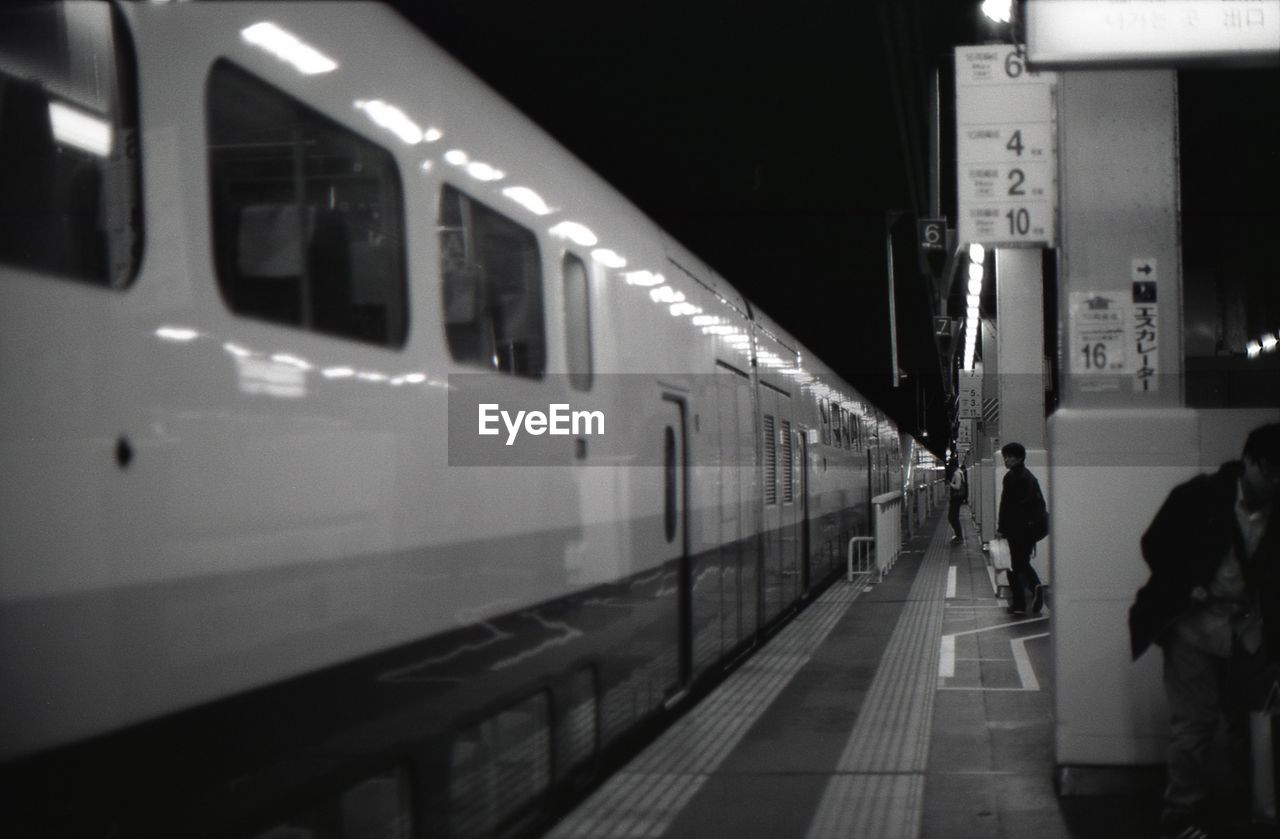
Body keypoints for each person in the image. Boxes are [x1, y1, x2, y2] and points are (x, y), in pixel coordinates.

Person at [1129, 423, 1280, 839]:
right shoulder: (1200, 495)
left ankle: (1247, 806)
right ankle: (1181, 812)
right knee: (1194, 724)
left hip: (1250, 631)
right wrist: (1184, 580)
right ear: (1248, 462)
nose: (1275, 482)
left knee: (1246, 725)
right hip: (1194, 628)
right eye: (1269, 471)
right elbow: (1154, 543)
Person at [995, 441, 1047, 616]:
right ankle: (1036, 586)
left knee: (1012, 567)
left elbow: (1006, 506)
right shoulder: (1030, 476)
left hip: (1017, 529)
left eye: (1010, 457)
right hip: (1034, 528)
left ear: (1019, 458)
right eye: (1005, 457)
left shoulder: (1011, 477)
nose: (1006, 460)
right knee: (1021, 562)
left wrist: (1001, 528)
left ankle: (1018, 604)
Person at [948, 460, 966, 544]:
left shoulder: (956, 474)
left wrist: (950, 484)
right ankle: (958, 535)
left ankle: (959, 536)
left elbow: (957, 487)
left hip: (956, 498)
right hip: (958, 498)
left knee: (952, 517)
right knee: (953, 517)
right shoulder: (960, 472)